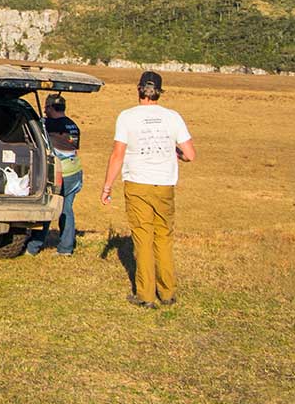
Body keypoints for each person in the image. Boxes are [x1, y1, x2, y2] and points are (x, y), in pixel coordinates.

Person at [100, 71, 196, 308]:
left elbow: (118, 155)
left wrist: (107, 185)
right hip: (164, 184)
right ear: (159, 93)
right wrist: (175, 154)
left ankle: (145, 295)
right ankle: (168, 292)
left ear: (139, 90)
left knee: (143, 239)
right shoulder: (173, 117)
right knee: (163, 238)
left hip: (137, 183)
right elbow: (190, 155)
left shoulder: (127, 117)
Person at [26, 93, 82, 256]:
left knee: (48, 206)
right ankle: (66, 248)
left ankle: (33, 247)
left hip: (60, 172)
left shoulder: (50, 125)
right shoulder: (73, 125)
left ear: (51, 108)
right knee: (66, 209)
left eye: (46, 108)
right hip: (75, 171)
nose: (44, 111)